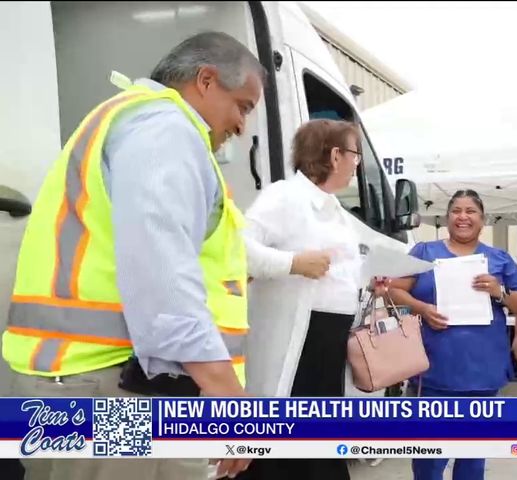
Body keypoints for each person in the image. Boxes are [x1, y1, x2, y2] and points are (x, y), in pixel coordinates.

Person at [1, 32, 264, 479]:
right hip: (112, 390)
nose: (242, 126)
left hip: (82, 381)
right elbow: (161, 279)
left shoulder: (128, 120)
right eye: (242, 106)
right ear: (205, 80)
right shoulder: (165, 130)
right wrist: (227, 396)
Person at [237, 119, 366, 480]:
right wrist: (292, 263)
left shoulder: (334, 209)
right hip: (300, 341)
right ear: (335, 155)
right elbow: (238, 250)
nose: (358, 163)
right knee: (289, 451)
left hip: (328, 342)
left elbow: (335, 267)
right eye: (355, 153)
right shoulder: (285, 196)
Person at [388, 189, 517, 480]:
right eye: (456, 211)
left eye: (471, 211)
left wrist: (498, 292)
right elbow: (393, 288)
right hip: (434, 370)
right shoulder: (424, 252)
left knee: (472, 458)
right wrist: (423, 308)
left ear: (483, 220)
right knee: (429, 460)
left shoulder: (499, 259)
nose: (463, 217)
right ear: (447, 217)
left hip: (482, 372)